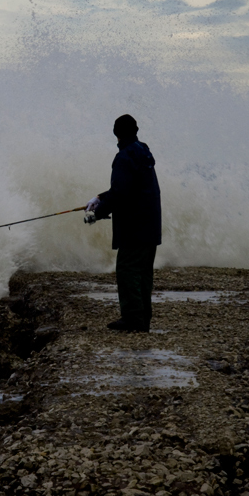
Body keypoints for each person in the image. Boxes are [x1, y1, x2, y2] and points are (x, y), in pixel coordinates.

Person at [84, 114, 162, 332]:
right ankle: (143, 319)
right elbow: (129, 188)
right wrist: (99, 198)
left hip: (134, 227)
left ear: (116, 133)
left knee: (127, 270)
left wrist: (96, 214)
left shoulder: (124, 157)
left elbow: (120, 194)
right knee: (144, 272)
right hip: (150, 224)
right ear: (135, 130)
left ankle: (133, 320)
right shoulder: (143, 151)